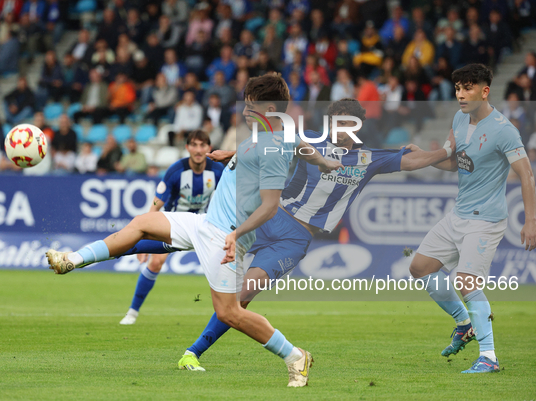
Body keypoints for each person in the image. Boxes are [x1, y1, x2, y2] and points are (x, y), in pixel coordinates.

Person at [113, 98, 457, 371]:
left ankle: (192, 353)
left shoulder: (368, 158)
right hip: (269, 218)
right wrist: (230, 153)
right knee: (188, 239)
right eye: (337, 121)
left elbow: (412, 161)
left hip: (295, 239)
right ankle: (116, 246)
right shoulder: (309, 144)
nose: (342, 129)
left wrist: (444, 151)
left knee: (243, 296)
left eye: (349, 124)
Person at [46, 74, 343, 387]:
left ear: (270, 108)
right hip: (205, 223)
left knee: (230, 313)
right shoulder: (272, 135)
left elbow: (270, 205)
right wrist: (323, 163)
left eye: (250, 105)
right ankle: (72, 260)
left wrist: (236, 235)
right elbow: (301, 146)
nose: (244, 110)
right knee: (142, 223)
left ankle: (296, 356)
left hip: (225, 235)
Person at [408, 64, 536, 374]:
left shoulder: (504, 129)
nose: (461, 95)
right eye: (457, 89)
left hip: (486, 220)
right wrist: (423, 156)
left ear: (484, 91)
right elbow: (456, 162)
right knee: (419, 267)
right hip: (459, 215)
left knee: (466, 282)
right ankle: (464, 324)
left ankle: (489, 358)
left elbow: (526, 174)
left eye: (467, 88)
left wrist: (531, 221)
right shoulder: (459, 118)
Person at [119, 130, 224, 325]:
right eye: (194, 145)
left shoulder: (218, 170)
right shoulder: (176, 171)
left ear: (209, 148)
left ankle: (228, 314)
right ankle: (132, 312)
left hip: (204, 225)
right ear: (187, 148)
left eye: (203, 145)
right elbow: (157, 204)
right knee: (156, 263)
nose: (198, 150)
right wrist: (144, 234)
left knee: (223, 268)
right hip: (174, 225)